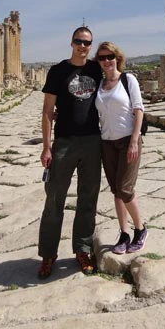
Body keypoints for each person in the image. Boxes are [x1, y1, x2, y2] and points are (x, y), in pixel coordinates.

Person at [37, 26, 103, 279]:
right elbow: (47, 110)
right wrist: (46, 145)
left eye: (87, 42)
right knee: (54, 199)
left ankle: (82, 249)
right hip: (64, 141)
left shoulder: (97, 69)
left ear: (91, 45)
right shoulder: (58, 71)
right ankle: (48, 254)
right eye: (78, 41)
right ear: (71, 42)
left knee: (88, 198)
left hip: (92, 141)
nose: (82, 46)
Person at [94, 41, 147, 255]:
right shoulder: (99, 84)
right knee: (116, 190)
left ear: (117, 58)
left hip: (128, 141)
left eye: (110, 57)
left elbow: (139, 109)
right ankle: (124, 234)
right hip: (107, 141)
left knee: (125, 189)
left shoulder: (128, 79)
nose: (106, 61)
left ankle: (140, 229)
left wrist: (135, 139)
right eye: (102, 58)